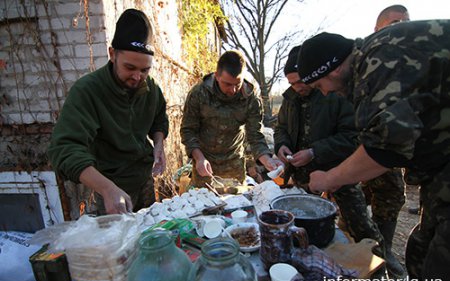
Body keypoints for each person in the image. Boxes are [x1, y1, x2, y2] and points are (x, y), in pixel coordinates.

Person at [297, 20, 450, 281]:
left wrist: (329, 178)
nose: (326, 92)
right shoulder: (369, 58)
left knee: (439, 272)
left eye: (321, 84)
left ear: (334, 68)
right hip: (439, 174)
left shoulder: (378, 60)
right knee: (420, 252)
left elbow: (386, 149)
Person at [48, 9, 168, 215]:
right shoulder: (88, 91)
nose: (138, 77)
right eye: (130, 68)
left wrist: (159, 144)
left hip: (143, 178)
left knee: (150, 237)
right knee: (119, 245)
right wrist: (106, 188)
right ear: (112, 54)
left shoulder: (151, 88)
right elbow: (64, 149)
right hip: (109, 189)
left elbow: (159, 119)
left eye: (144, 70)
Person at [274, 46, 384, 250]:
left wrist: (314, 152)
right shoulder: (290, 99)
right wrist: (282, 145)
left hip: (339, 174)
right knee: (305, 232)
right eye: (291, 83)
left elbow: (353, 136)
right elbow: (281, 128)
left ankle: (380, 273)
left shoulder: (334, 92)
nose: (297, 87)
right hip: (303, 179)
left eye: (300, 81)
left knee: (362, 230)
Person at [358, 4, 412, 277]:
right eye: (393, 23)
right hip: (361, 151)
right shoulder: (369, 59)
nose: (400, 27)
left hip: (393, 153)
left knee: (390, 197)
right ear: (376, 30)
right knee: (356, 204)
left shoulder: (416, 60)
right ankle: (364, 252)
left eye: (405, 21)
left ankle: (385, 251)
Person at [180, 50, 282, 188]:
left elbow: (255, 135)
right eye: (227, 84)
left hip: (234, 162)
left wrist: (267, 160)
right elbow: (188, 130)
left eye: (237, 84)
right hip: (204, 162)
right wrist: (199, 158)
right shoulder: (199, 94)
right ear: (216, 76)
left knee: (236, 205)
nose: (233, 90)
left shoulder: (251, 98)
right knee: (204, 204)